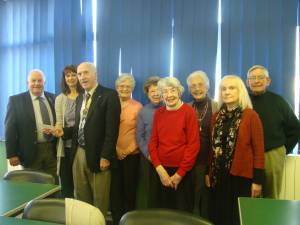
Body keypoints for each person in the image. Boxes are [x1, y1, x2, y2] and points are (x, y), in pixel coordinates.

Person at [59, 62, 121, 217]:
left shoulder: (109, 95)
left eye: (85, 73)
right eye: (79, 74)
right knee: (81, 197)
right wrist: (63, 132)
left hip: (99, 155)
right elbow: (80, 127)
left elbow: (112, 130)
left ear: (95, 74)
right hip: (78, 153)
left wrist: (106, 156)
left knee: (99, 199)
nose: (82, 77)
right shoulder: (80, 97)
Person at [207, 75, 264, 225]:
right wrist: (208, 172)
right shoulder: (216, 117)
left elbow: (259, 150)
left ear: (241, 91)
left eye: (232, 88)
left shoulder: (251, 116)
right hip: (218, 176)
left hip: (241, 177)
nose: (227, 92)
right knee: (219, 215)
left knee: (236, 218)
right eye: (223, 89)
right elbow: (211, 149)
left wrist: (257, 181)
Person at [247, 65, 300, 199]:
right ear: (248, 82)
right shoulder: (243, 101)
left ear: (268, 81)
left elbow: (295, 128)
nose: (257, 81)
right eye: (253, 78)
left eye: (261, 77)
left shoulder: (279, 101)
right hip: (247, 156)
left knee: (271, 196)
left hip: (272, 155)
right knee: (249, 196)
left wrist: (282, 150)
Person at [148, 77, 200, 212]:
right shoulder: (159, 113)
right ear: (161, 95)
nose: (169, 95)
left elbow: (193, 146)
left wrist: (179, 174)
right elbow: (153, 143)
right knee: (162, 213)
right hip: (161, 171)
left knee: (182, 214)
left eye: (173, 90)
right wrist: (159, 170)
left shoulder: (189, 112)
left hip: (182, 173)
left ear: (179, 92)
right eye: (165, 91)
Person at [5, 69, 57, 180]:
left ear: (44, 82)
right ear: (27, 83)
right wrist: (11, 154)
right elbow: (10, 128)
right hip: (30, 152)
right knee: (33, 186)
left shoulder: (54, 98)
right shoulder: (16, 100)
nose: (37, 83)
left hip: (53, 150)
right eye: (33, 81)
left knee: (53, 183)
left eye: (40, 80)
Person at [111, 74, 142, 225]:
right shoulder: (110, 103)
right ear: (116, 88)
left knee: (129, 191)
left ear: (132, 89)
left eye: (127, 86)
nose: (124, 89)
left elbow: (140, 133)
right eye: (121, 86)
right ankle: (116, 220)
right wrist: (116, 149)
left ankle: (130, 221)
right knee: (115, 191)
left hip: (132, 155)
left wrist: (126, 150)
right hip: (112, 154)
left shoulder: (138, 106)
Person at [186, 71, 218, 217]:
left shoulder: (217, 106)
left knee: (204, 198)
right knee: (188, 197)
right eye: (193, 86)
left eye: (200, 84)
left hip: (207, 161)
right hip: (187, 160)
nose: (197, 88)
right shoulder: (186, 107)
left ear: (207, 86)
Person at [54, 65, 82, 197]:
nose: (70, 78)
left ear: (79, 76)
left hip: (82, 147)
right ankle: (67, 214)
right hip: (65, 148)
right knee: (67, 185)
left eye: (73, 74)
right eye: (67, 75)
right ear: (64, 79)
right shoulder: (60, 98)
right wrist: (57, 129)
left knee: (81, 185)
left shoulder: (85, 96)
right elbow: (59, 121)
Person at [136, 76, 162, 208]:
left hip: (166, 157)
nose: (156, 94)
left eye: (159, 90)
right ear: (147, 93)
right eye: (152, 91)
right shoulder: (143, 111)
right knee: (150, 191)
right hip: (148, 158)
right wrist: (149, 155)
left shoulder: (170, 108)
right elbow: (140, 137)